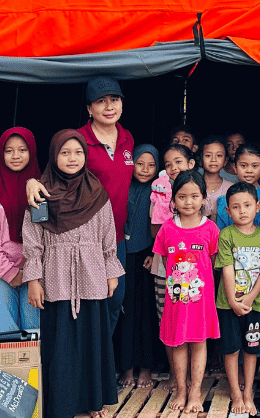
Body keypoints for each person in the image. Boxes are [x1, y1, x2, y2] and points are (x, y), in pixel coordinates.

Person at [22, 130, 124, 418]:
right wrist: (33, 280)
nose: (72, 158)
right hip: (55, 278)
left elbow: (108, 234)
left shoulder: (96, 192)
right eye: (65, 152)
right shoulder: (41, 194)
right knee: (61, 344)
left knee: (92, 341)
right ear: (54, 156)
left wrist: (111, 270)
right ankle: (62, 406)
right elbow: (33, 239)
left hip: (92, 274)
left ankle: (94, 402)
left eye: (78, 152)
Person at [26, 75, 135, 337]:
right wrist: (31, 181)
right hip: (80, 239)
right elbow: (52, 178)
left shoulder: (127, 138)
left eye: (114, 99)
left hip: (115, 238)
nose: (109, 106)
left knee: (114, 302)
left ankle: (101, 359)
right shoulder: (77, 141)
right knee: (85, 308)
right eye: (101, 101)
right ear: (89, 108)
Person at [154, 172, 220, 409]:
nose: (188, 202)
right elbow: (165, 260)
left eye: (194, 196)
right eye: (182, 196)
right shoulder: (167, 229)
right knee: (178, 344)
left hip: (201, 300)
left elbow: (214, 262)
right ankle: (181, 391)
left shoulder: (211, 229)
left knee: (199, 342)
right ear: (173, 200)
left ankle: (195, 393)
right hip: (176, 300)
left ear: (204, 199)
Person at [216, 182, 260, 416]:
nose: (242, 211)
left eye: (247, 205)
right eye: (236, 207)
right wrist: (233, 301)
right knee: (232, 349)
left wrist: (251, 296)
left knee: (251, 349)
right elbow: (227, 269)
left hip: (255, 304)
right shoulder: (226, 235)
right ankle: (236, 393)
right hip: (228, 304)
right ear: (227, 211)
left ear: (257, 207)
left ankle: (248, 393)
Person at [0, 128, 41, 339]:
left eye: (22, 150)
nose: (15, 156)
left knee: (36, 338)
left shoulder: (42, 190)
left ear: (32, 152)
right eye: (9, 151)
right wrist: (10, 272)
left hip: (35, 275)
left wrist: (32, 272)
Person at [116, 144, 164, 389]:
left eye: (151, 165)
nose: (145, 169)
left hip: (148, 257)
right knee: (125, 312)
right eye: (140, 163)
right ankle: (126, 367)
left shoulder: (160, 191)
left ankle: (146, 367)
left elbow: (164, 225)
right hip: (121, 255)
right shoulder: (121, 187)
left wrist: (154, 252)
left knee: (146, 313)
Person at [149, 143, 198, 319]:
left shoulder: (199, 191)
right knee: (166, 317)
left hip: (194, 269)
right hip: (164, 267)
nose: (173, 168)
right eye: (168, 164)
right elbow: (154, 233)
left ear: (191, 164)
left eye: (178, 162)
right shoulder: (160, 191)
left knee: (192, 317)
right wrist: (162, 206)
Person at [215, 143, 260, 240]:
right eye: (243, 166)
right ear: (235, 168)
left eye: (254, 166)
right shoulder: (225, 201)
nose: (249, 170)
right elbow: (221, 238)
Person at [200, 136, 233, 220]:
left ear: (225, 161)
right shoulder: (193, 185)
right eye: (208, 155)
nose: (213, 159)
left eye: (219, 155)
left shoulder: (231, 188)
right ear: (200, 160)